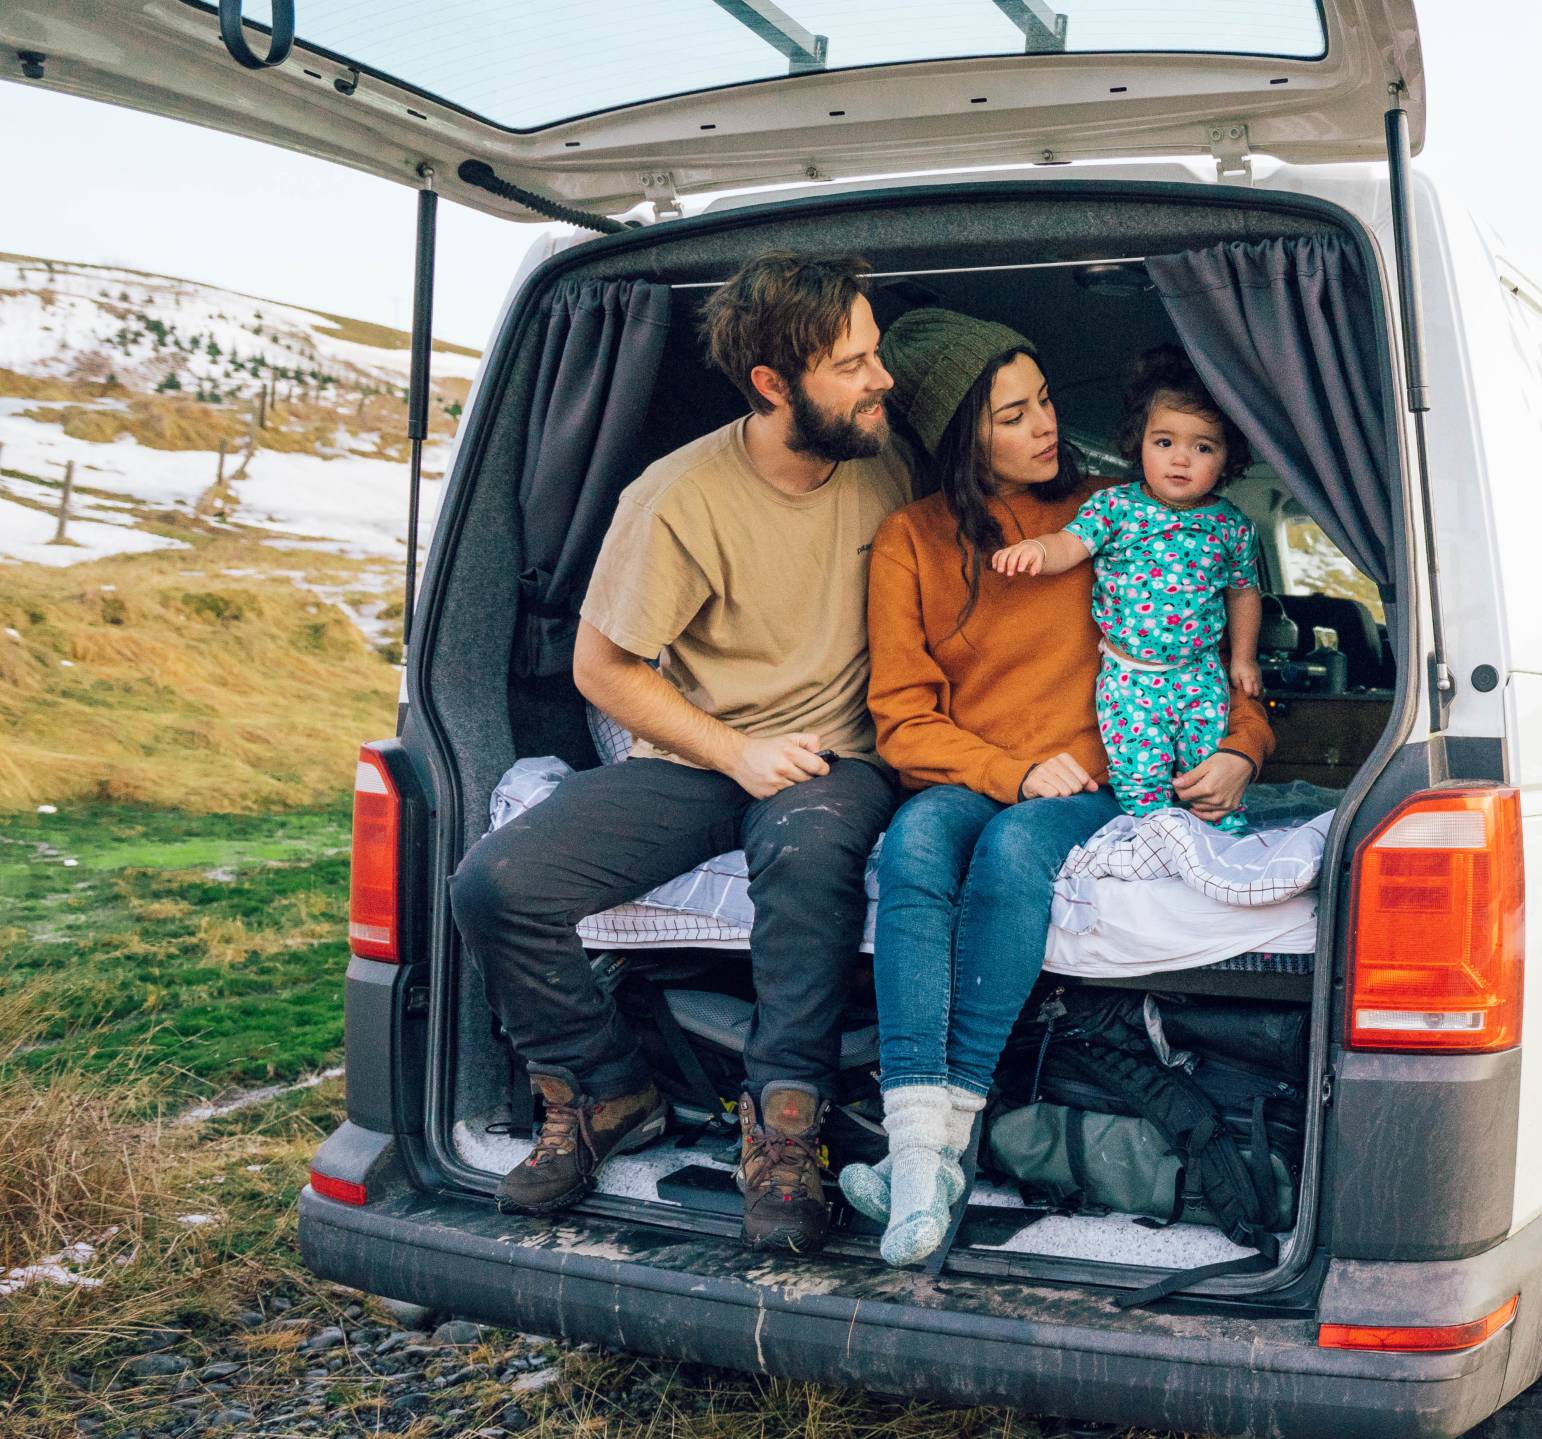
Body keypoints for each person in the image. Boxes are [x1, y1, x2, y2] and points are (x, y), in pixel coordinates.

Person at [448, 250, 911, 1254]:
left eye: (876, 354)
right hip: (707, 749)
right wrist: (734, 752)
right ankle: (609, 1091)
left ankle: (787, 1129)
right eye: (853, 363)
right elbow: (602, 668)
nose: (882, 378)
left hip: (840, 755)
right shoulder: (676, 496)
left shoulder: (887, 457)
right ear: (773, 386)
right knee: (496, 883)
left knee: (808, 854)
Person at [851, 310, 1276, 1266]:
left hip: (1104, 772)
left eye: (1044, 400)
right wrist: (1010, 769)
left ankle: (925, 1160)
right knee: (918, 841)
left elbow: (1211, 661)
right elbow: (902, 720)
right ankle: (927, 1150)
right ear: (965, 436)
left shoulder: (1123, 510)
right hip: (982, 770)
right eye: (1015, 414)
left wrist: (1243, 751)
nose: (1047, 425)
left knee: (1012, 851)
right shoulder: (908, 541)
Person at [990, 346, 1264, 834]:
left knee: (1208, 783)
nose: (1181, 459)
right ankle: (1153, 852)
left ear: (1228, 459)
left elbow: (1243, 593)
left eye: (1204, 448)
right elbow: (1070, 544)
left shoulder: (1231, 526)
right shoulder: (1115, 507)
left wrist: (1243, 659)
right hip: (1130, 680)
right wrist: (1036, 550)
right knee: (1142, 787)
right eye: (1164, 442)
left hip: (1201, 677)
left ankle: (1224, 856)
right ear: (1139, 443)